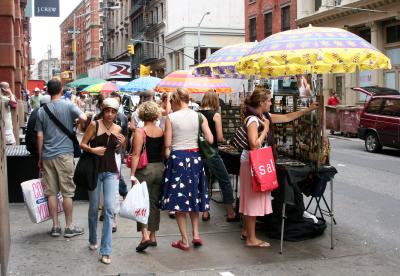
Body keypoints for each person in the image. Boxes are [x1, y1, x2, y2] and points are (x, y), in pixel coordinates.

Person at [239, 87, 318, 247]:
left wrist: (307, 110)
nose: (271, 102)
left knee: (251, 200)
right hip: (253, 163)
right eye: (268, 100)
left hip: (252, 163)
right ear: (262, 102)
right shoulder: (254, 120)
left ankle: (247, 232)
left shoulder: (262, 117)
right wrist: (266, 129)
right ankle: (251, 239)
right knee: (253, 201)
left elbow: (287, 116)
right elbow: (254, 145)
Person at [160, 88, 213, 251]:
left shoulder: (171, 117)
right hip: (196, 159)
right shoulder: (199, 116)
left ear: (175, 101)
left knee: (179, 201)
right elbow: (210, 139)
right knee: (194, 197)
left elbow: (167, 145)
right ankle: (196, 235)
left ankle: (184, 240)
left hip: (178, 159)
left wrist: (167, 157)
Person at [35, 79, 87, 238]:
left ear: (48, 91)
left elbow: (39, 136)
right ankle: (69, 227)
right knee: (67, 192)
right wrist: (76, 120)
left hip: (48, 156)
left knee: (51, 192)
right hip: (65, 155)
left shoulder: (41, 111)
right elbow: (84, 118)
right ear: (61, 90)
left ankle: (55, 227)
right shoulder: (68, 105)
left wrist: (40, 156)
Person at [80, 97, 125, 265]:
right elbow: (82, 144)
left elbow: (118, 150)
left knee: (109, 209)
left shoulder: (118, 128)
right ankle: (92, 238)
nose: (110, 114)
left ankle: (106, 251)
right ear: (102, 110)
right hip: (94, 170)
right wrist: (92, 149)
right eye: (107, 110)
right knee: (93, 208)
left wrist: (122, 143)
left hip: (111, 171)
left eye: (113, 112)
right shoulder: (94, 124)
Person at [130, 101, 164, 252]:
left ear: (142, 114)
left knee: (141, 203)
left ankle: (144, 236)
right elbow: (163, 153)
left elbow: (136, 154)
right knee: (154, 203)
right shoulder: (161, 131)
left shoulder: (140, 131)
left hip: (145, 170)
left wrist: (132, 174)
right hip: (159, 168)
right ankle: (153, 235)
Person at [198, 91, 236, 222]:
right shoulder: (216, 115)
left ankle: (205, 212)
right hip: (212, 153)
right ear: (215, 101)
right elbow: (219, 138)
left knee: (204, 182)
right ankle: (230, 213)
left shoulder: (196, 114)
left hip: (199, 153)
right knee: (224, 181)